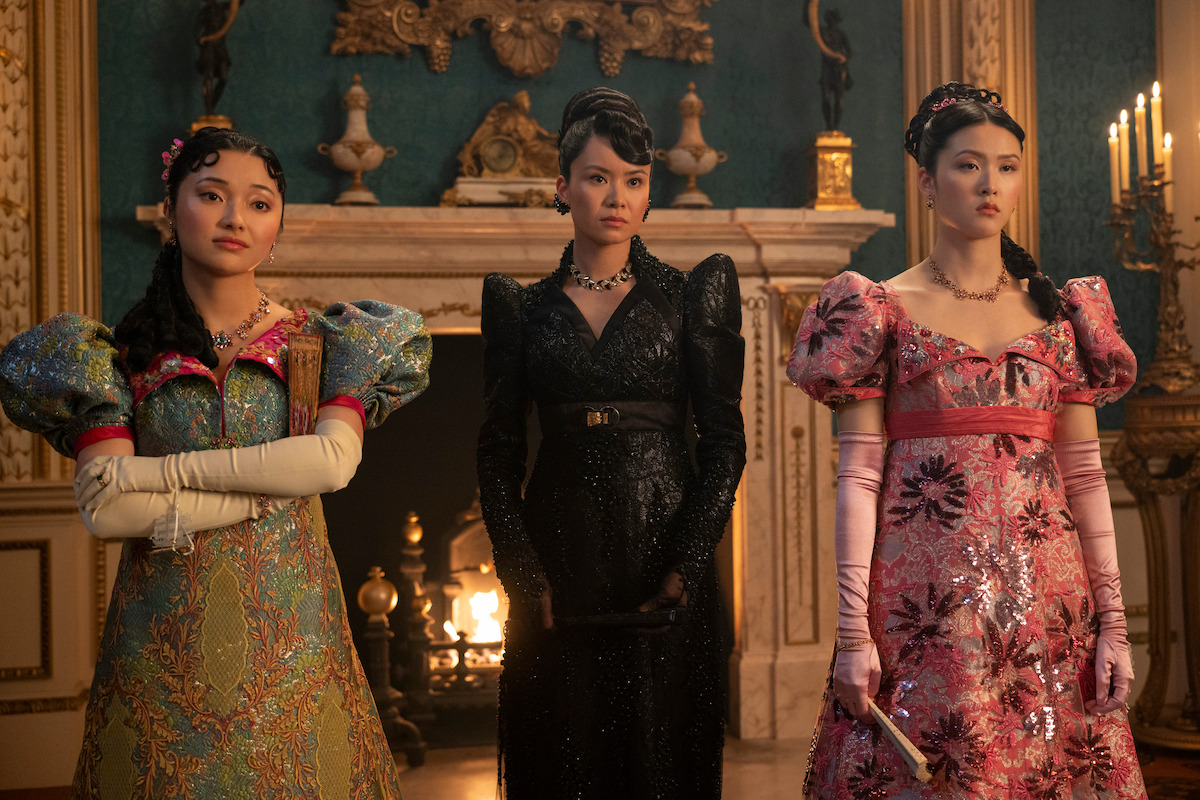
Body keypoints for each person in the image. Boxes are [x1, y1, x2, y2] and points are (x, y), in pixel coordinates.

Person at [0, 127, 430, 798]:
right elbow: (112, 510)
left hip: (295, 640)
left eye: (259, 203)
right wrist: (265, 490)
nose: (236, 218)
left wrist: (164, 474)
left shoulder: (326, 343)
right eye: (212, 195)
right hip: (160, 643)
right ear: (172, 212)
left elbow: (329, 466)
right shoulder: (119, 356)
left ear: (278, 222)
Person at [789, 82, 1148, 798]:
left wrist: (1114, 626)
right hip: (924, 615)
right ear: (926, 179)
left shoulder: (1063, 315)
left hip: (1049, 608)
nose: (991, 184)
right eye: (968, 164)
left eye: (1008, 165)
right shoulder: (878, 310)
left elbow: (1086, 478)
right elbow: (857, 480)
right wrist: (855, 636)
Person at [477, 86, 746, 799]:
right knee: (562, 752)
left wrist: (687, 561)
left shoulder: (694, 294)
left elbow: (724, 444)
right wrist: (520, 568)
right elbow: (497, 452)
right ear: (562, 186)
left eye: (633, 180)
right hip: (558, 559)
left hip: (663, 555)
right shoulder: (520, 306)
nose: (616, 197)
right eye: (597, 178)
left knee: (659, 754)